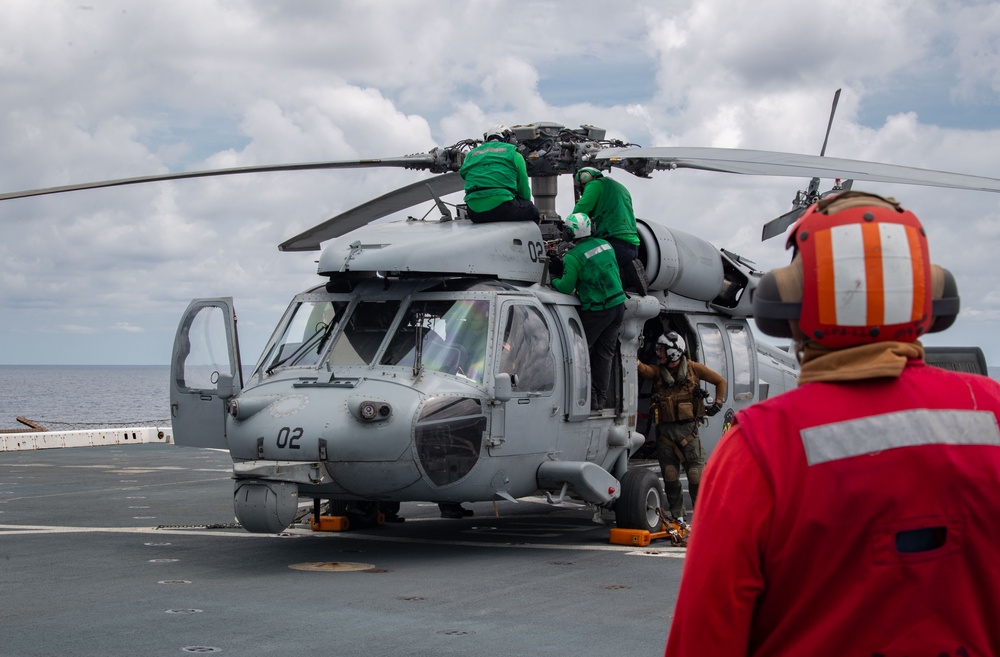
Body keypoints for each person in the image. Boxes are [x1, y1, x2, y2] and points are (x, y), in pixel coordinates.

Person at [664, 191, 1000, 657]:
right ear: (931, 297)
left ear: (789, 301)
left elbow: (704, 640)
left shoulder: (759, 450)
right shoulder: (991, 413)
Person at [637, 331, 726, 520]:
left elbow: (720, 381)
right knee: (670, 476)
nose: (658, 353)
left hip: (689, 432)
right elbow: (644, 369)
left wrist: (718, 403)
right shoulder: (658, 373)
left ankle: (702, 516)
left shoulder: (694, 369)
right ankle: (678, 516)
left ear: (674, 352)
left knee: (695, 475)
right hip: (665, 435)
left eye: (662, 349)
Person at [550, 212, 626, 411]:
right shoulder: (606, 245)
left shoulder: (573, 257)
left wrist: (553, 279)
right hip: (618, 306)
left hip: (599, 310)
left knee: (581, 352)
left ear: (568, 233)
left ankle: (589, 399)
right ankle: (600, 398)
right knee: (605, 354)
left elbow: (566, 287)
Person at [571, 167, 646, 293]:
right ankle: (628, 277)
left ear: (583, 180)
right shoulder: (621, 188)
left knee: (586, 267)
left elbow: (579, 213)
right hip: (632, 244)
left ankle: (627, 277)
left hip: (611, 242)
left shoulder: (594, 185)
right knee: (613, 272)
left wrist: (568, 229)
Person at [459, 124, 540, 224]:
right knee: (532, 211)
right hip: (502, 207)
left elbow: (463, 173)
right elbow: (523, 189)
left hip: (474, 212)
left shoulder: (470, 155)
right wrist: (524, 203)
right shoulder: (514, 154)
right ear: (509, 138)